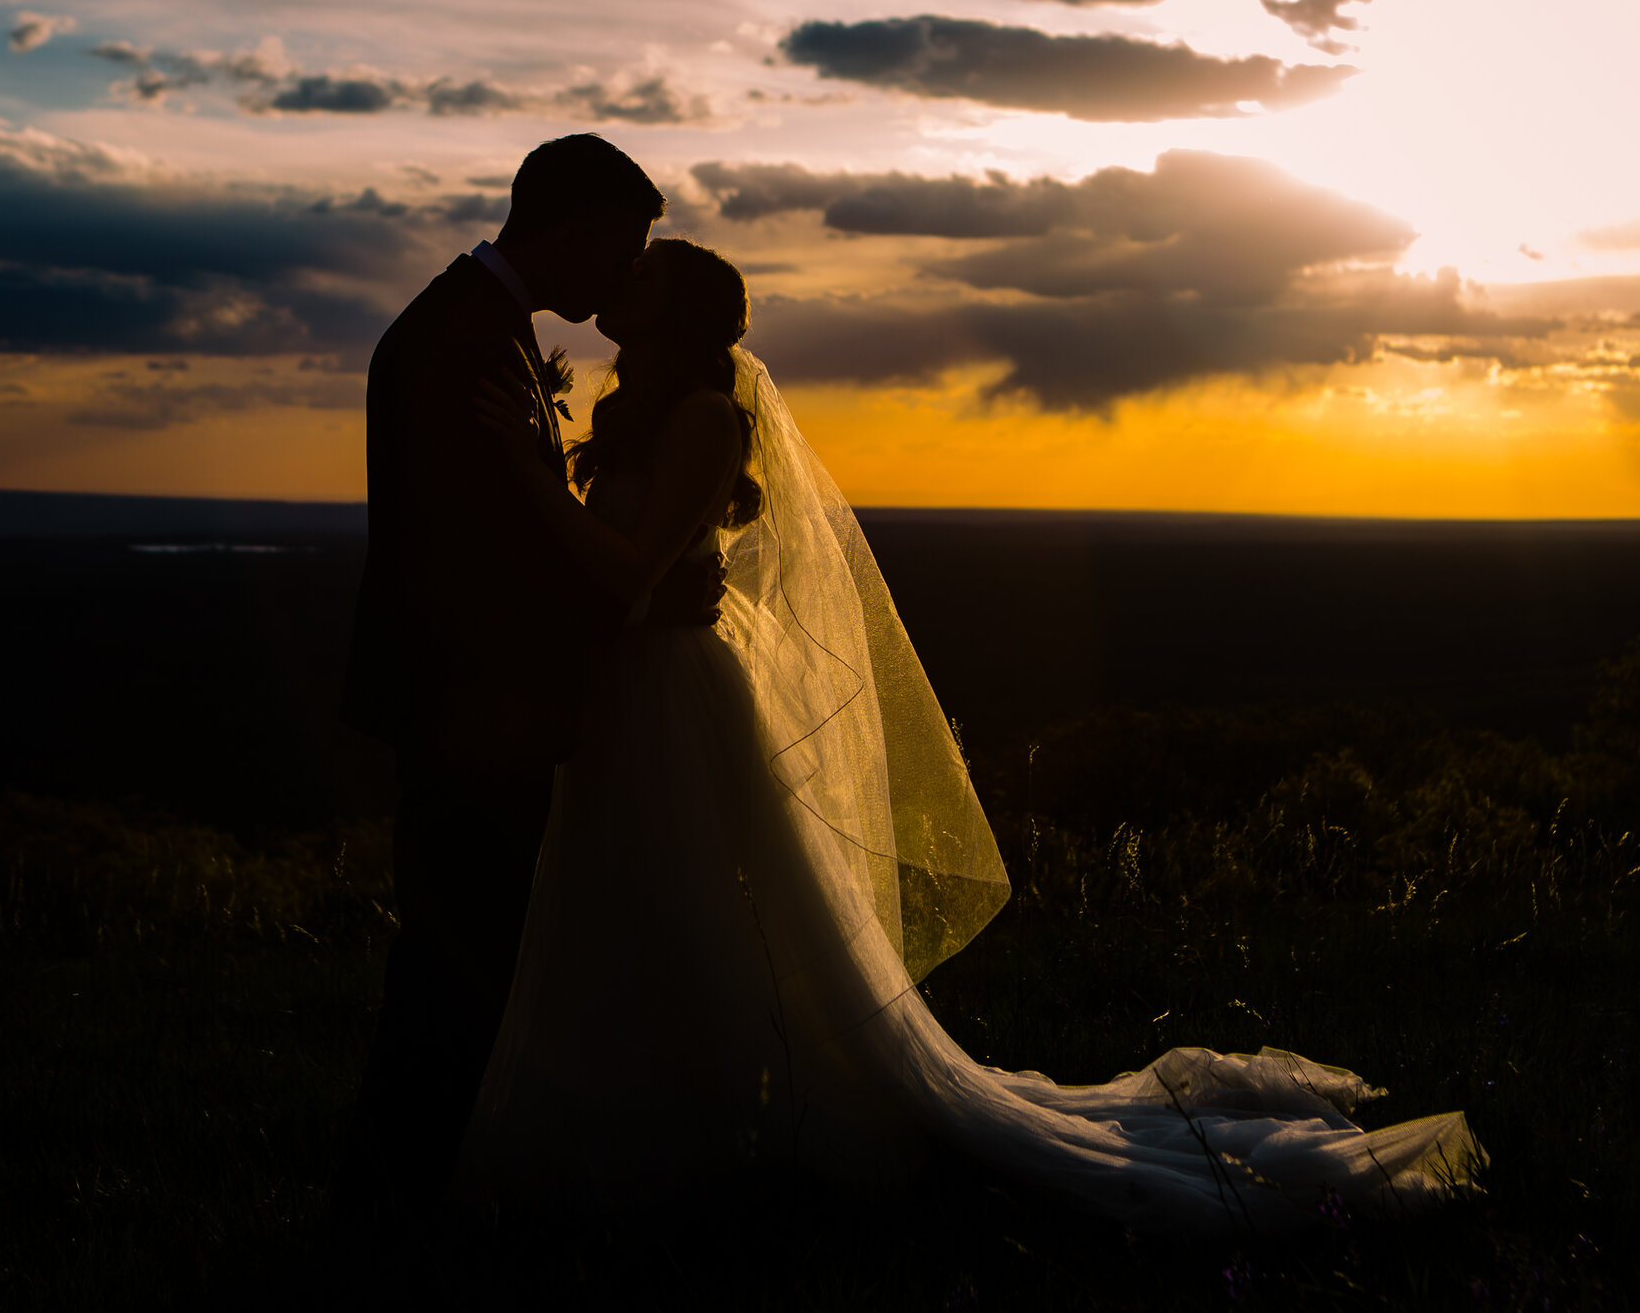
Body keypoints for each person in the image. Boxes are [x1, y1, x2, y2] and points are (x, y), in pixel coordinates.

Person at [451, 236, 1485, 1235]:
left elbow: (632, 573)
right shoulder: (640, 409)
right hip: (631, 685)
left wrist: (526, 478)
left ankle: (721, 1124)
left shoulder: (703, 416)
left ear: (675, 312)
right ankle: (660, 1112)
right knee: (630, 896)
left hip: (668, 690)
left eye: (647, 270)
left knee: (683, 895)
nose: (624, 276)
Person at [334, 134, 725, 1228]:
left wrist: (642, 594)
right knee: (454, 972)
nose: (620, 276)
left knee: (464, 966)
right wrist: (633, 600)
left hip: (481, 704)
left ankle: (402, 1201)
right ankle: (390, 1212)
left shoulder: (475, 327)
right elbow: (484, 555)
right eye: (624, 248)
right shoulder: (465, 339)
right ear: (579, 228)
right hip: (475, 706)